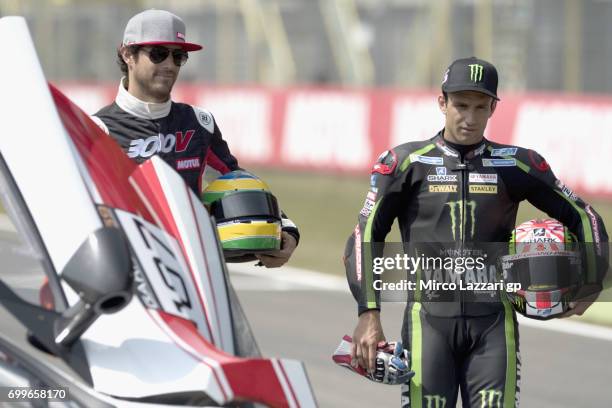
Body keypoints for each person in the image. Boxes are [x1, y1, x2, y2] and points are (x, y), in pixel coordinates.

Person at [343, 56, 608, 407]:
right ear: (442, 102)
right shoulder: (405, 164)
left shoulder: (517, 164)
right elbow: (364, 236)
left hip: (494, 325)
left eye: (480, 107)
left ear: (494, 107)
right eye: (461, 105)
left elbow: (583, 215)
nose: (469, 118)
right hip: (428, 325)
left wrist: (592, 281)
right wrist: (369, 313)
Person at [91, 9, 298, 268]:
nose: (169, 65)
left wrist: (287, 230)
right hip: (128, 277)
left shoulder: (199, 124)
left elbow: (236, 183)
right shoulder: (98, 131)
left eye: (178, 56)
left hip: (196, 276)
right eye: (158, 54)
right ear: (127, 55)